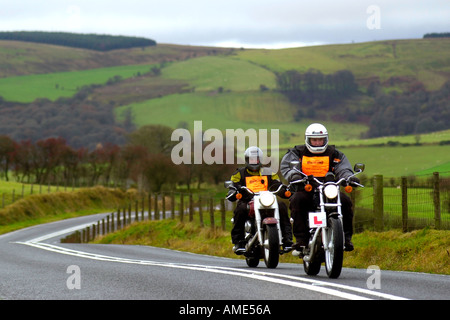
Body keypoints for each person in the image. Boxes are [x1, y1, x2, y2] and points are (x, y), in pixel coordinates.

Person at [280, 123, 360, 251]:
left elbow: (343, 168)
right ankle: (301, 240)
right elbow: (288, 167)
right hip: (306, 188)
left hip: (329, 189)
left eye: (320, 140)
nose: (317, 143)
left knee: (345, 201)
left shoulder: (335, 154)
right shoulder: (297, 153)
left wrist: (348, 177)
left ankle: (345, 238)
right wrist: (294, 176)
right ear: (308, 140)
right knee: (297, 200)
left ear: (326, 139)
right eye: (314, 140)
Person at [227, 146, 293, 255]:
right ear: (247, 160)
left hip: (266, 200)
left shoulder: (269, 172)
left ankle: (287, 239)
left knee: (281, 206)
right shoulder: (240, 173)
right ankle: (239, 242)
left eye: (256, 159)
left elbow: (276, 184)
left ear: (260, 160)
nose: (254, 161)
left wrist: (283, 189)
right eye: (251, 159)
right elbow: (233, 185)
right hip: (248, 200)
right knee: (241, 209)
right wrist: (234, 190)